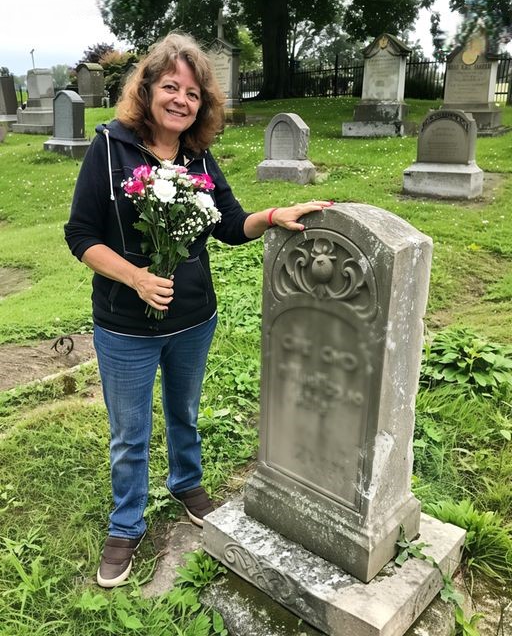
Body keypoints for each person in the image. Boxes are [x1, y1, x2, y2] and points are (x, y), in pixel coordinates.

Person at [64, 32, 331, 589]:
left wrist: (275, 214)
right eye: (170, 87)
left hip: (194, 320)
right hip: (125, 327)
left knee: (184, 413)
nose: (181, 99)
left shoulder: (197, 156)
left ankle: (187, 483)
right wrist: (136, 277)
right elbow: (81, 234)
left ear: (202, 103)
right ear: (147, 89)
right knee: (129, 433)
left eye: (192, 92)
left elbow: (230, 224)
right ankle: (126, 523)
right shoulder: (110, 149)